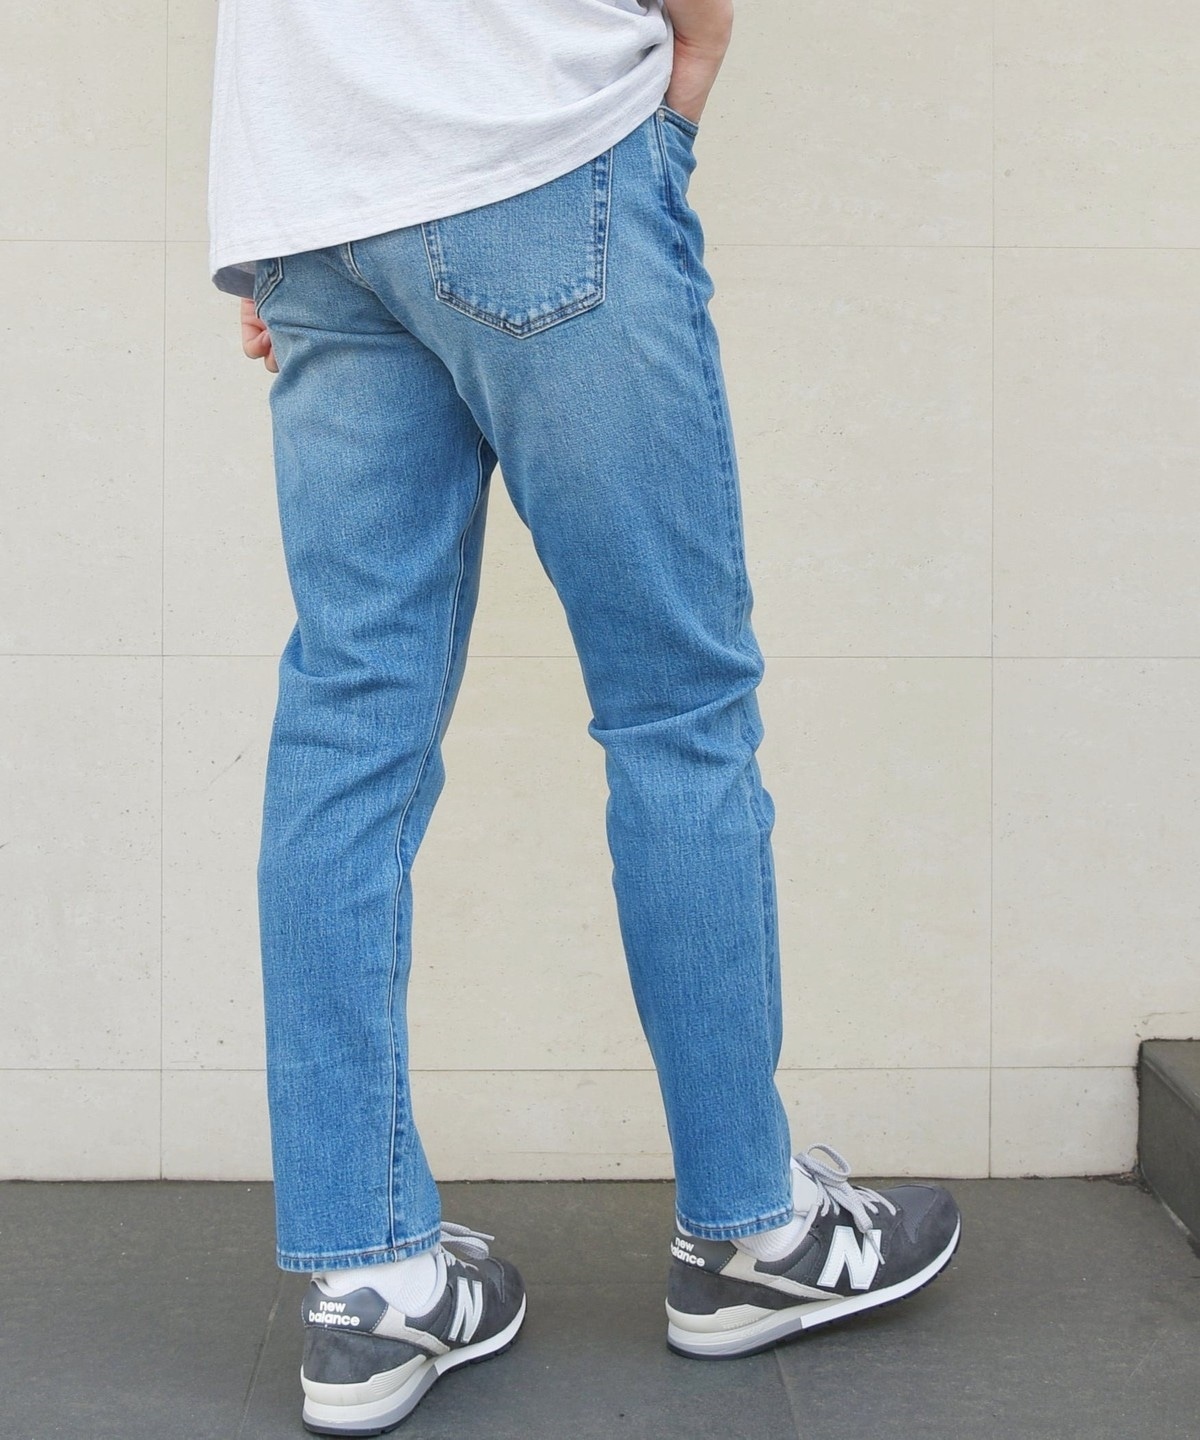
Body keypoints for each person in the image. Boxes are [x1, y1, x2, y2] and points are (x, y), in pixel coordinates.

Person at [207, 0, 962, 1432]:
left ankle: (374, 1284)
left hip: (313, 186)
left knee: (347, 726)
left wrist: (290, 210)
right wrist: (694, 65)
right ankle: (753, 1232)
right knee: (678, 708)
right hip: (539, 152)